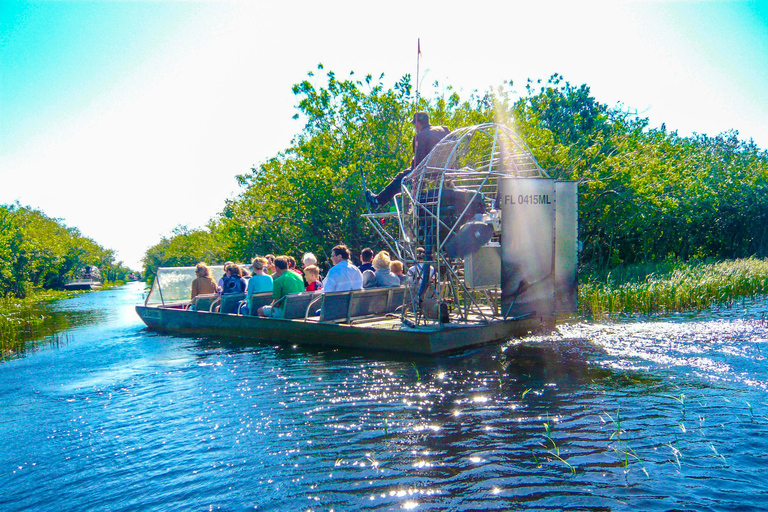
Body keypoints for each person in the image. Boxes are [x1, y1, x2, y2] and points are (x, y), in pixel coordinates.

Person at [366, 112, 450, 208]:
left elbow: (418, 164)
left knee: (401, 178)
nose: (415, 127)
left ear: (418, 123)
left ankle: (378, 200)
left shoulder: (420, 136)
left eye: (414, 124)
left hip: (429, 171)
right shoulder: (444, 129)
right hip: (446, 169)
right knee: (418, 174)